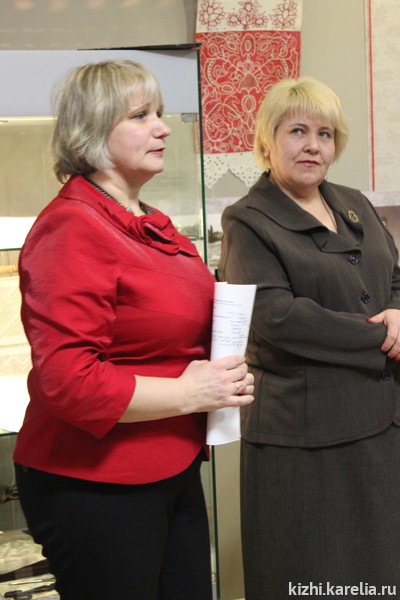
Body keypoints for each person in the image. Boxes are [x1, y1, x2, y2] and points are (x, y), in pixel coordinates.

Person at [13, 59, 254, 600]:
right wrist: (191, 392)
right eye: (141, 115)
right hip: (96, 483)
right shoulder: (72, 227)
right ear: (94, 129)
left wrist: (220, 377)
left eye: (160, 113)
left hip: (169, 465)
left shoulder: (150, 223)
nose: (163, 128)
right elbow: (69, 381)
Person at [218, 75, 400, 600]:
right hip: (307, 440)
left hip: (381, 425)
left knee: (379, 575)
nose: (313, 145)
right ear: (267, 139)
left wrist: (398, 312)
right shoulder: (247, 219)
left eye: (325, 134)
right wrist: (382, 337)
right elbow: (275, 316)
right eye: (297, 131)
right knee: (313, 577)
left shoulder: (354, 203)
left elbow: (394, 278)